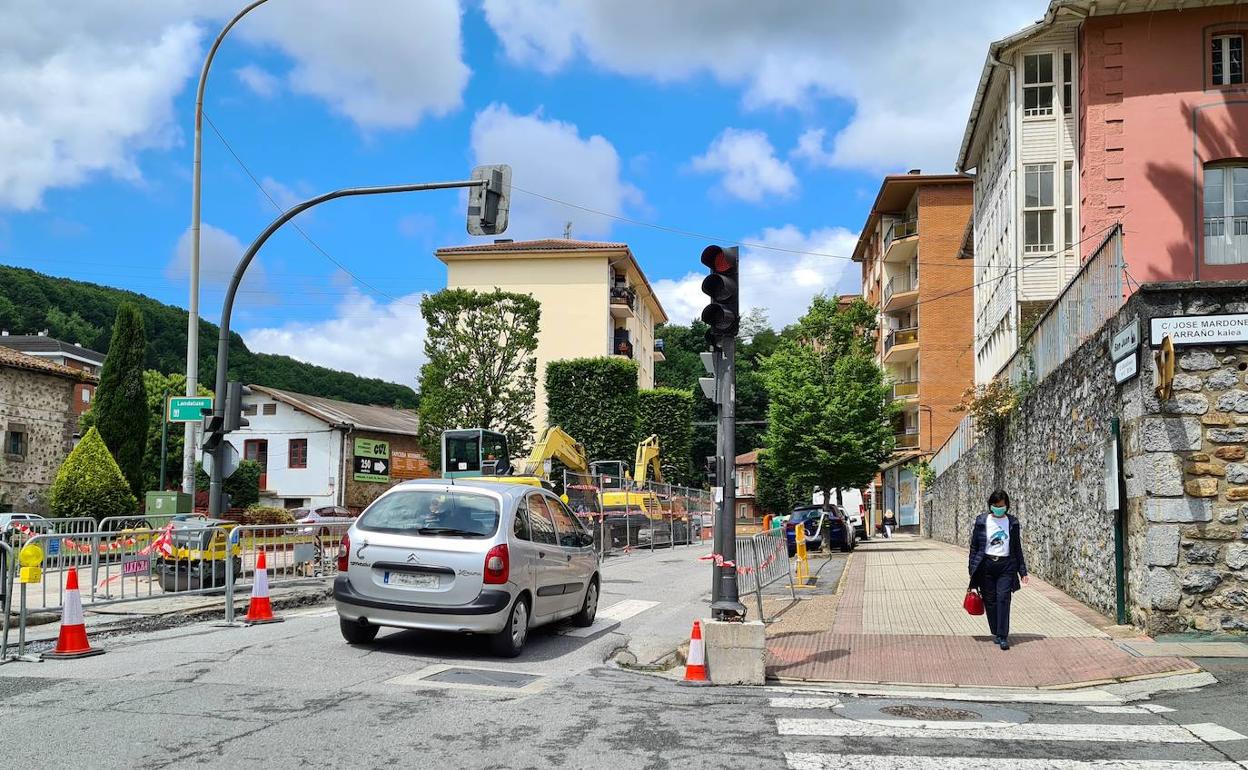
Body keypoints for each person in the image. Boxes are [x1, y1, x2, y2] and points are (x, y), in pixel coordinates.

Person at [968, 489, 1029, 650]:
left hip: (1006, 566)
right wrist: (971, 569)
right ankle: (996, 631)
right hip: (986, 565)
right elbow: (974, 546)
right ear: (990, 505)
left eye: (1001, 506)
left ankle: (1003, 636)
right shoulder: (982, 521)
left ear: (1007, 506)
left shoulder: (1012, 522)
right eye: (995, 505)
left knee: (1003, 598)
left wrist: (1022, 572)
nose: (998, 508)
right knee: (990, 601)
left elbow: (1017, 548)